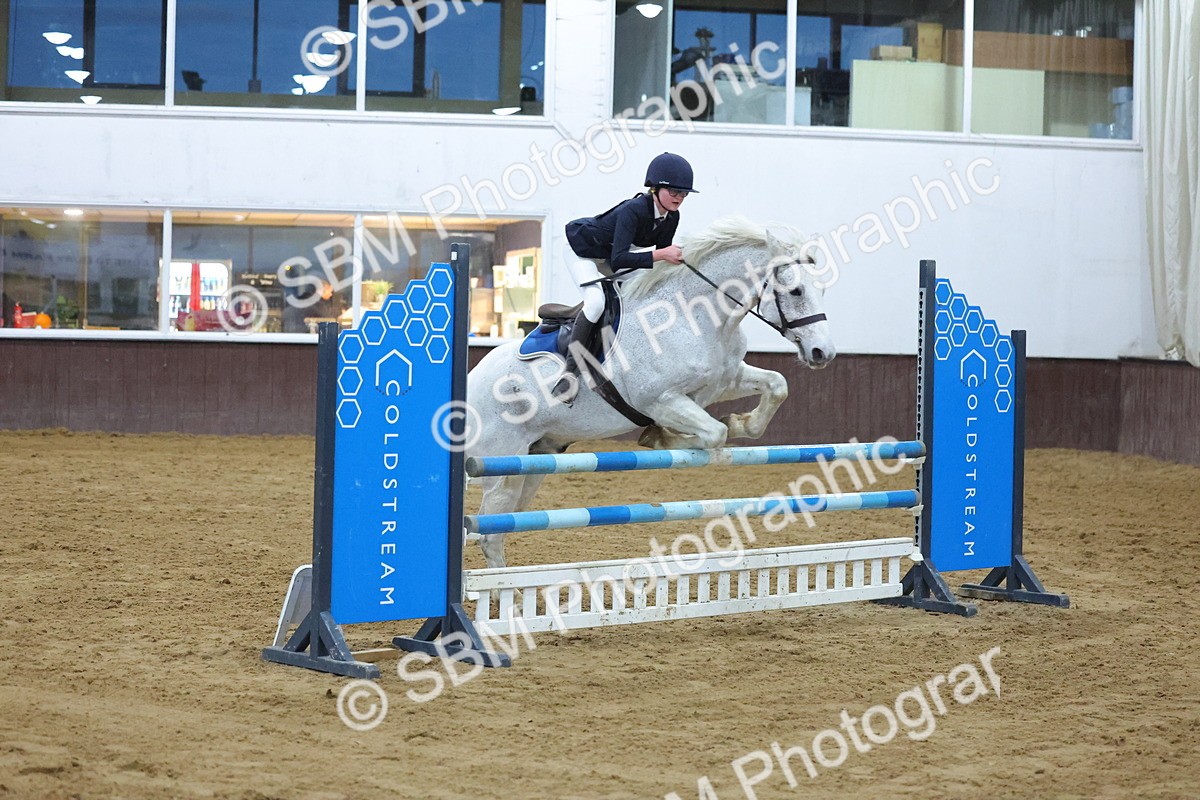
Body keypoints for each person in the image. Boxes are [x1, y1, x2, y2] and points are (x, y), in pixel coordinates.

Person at [557, 152, 698, 403]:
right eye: (674, 192)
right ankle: (569, 374)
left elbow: (658, 262)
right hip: (582, 251)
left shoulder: (672, 217)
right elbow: (620, 259)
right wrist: (661, 254)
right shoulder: (633, 210)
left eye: (684, 194)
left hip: (611, 256)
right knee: (596, 302)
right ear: (655, 189)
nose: (679, 198)